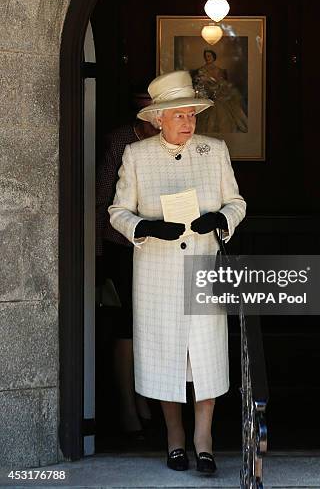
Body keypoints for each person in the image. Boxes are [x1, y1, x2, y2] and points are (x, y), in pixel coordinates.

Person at [108, 70, 246, 473]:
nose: (189, 122)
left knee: (205, 357)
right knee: (164, 357)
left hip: (202, 270)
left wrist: (220, 219)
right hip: (157, 273)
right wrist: (144, 227)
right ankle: (174, 437)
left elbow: (237, 202)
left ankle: (204, 439)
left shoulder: (214, 150)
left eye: (192, 115)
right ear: (158, 119)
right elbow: (117, 211)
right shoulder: (137, 155)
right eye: (180, 116)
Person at [95, 86, 158, 439]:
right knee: (125, 327)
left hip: (157, 249)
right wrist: (97, 255)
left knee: (147, 326)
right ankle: (125, 405)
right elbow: (101, 198)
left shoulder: (166, 144)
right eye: (148, 114)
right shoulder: (119, 143)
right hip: (120, 247)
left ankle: (143, 397)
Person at [193, 49, 248, 133]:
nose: (207, 58)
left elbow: (222, 83)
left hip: (218, 92)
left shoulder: (219, 70)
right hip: (206, 92)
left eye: (209, 56)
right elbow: (200, 84)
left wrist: (218, 88)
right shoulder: (201, 70)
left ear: (213, 57)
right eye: (206, 56)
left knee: (224, 104)